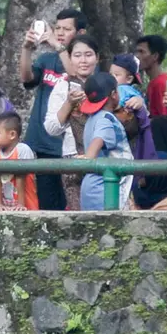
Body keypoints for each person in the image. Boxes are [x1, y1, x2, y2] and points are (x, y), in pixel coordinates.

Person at [20, 9, 88, 211]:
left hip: (71, 147)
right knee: (48, 207)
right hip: (42, 142)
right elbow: (26, 78)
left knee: (74, 205)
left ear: (80, 33)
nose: (59, 32)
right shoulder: (47, 60)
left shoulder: (85, 62)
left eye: (67, 29)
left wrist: (59, 47)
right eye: (57, 28)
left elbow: (76, 77)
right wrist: (26, 48)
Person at [44, 34, 104, 210]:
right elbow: (51, 128)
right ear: (69, 59)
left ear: (97, 57)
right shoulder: (62, 87)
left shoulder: (106, 84)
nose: (83, 60)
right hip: (72, 158)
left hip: (104, 156)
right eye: (77, 56)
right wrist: (69, 104)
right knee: (79, 214)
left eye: (88, 54)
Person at [78, 72, 135, 211]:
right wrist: (89, 157)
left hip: (90, 187)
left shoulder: (92, 119)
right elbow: (99, 138)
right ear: (114, 94)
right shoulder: (106, 119)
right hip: (105, 189)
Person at [0, 112, 38, 211]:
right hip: (4, 205)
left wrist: (20, 205)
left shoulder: (22, 149)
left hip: (27, 204)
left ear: (12, 134)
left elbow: (21, 178)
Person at [135, 35, 167, 118]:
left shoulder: (161, 84)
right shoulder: (155, 82)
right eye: (137, 52)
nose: (137, 56)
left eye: (141, 52)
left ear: (155, 56)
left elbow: (165, 119)